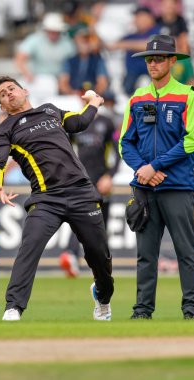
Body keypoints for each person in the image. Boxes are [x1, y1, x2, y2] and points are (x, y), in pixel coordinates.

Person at [0, 75, 114, 321]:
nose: (9, 94)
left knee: (99, 255)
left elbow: (79, 123)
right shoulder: (5, 129)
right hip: (46, 199)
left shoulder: (50, 110)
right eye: (3, 94)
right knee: (29, 247)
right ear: (2, 106)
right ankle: (13, 307)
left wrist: (94, 103)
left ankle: (102, 296)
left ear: (25, 91)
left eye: (11, 89)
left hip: (82, 193)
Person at [119, 34, 194, 320]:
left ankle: (191, 310)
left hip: (177, 187)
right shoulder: (137, 98)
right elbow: (124, 143)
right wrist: (144, 169)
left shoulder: (188, 96)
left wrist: (153, 167)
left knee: (186, 251)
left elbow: (191, 142)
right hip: (145, 187)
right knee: (146, 255)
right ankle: (142, 311)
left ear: (171, 61)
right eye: (149, 59)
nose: (152, 64)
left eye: (158, 59)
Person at [59, 91, 121, 277]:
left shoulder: (107, 123)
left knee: (101, 222)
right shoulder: (75, 123)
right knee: (79, 216)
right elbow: (66, 151)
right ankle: (71, 255)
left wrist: (109, 176)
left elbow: (118, 153)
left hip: (101, 179)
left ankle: (99, 262)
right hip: (81, 180)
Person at [104, 6, 161, 96]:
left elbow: (151, 45)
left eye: (139, 16)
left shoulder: (157, 31)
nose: (136, 20)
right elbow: (110, 46)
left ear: (149, 18)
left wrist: (126, 45)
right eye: (136, 17)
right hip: (131, 77)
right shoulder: (131, 36)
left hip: (153, 73)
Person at [14, 12, 76, 83]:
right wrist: (27, 73)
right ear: (46, 30)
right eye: (51, 31)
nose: (53, 33)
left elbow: (74, 62)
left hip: (60, 81)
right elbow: (19, 59)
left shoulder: (67, 43)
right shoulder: (35, 40)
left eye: (56, 31)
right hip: (37, 80)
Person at [58, 26, 109, 95]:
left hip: (92, 97)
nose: (85, 44)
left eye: (87, 41)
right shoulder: (69, 60)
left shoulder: (98, 60)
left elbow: (102, 83)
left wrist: (92, 96)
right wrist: (74, 94)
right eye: (82, 41)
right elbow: (63, 84)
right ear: (75, 42)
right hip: (73, 97)